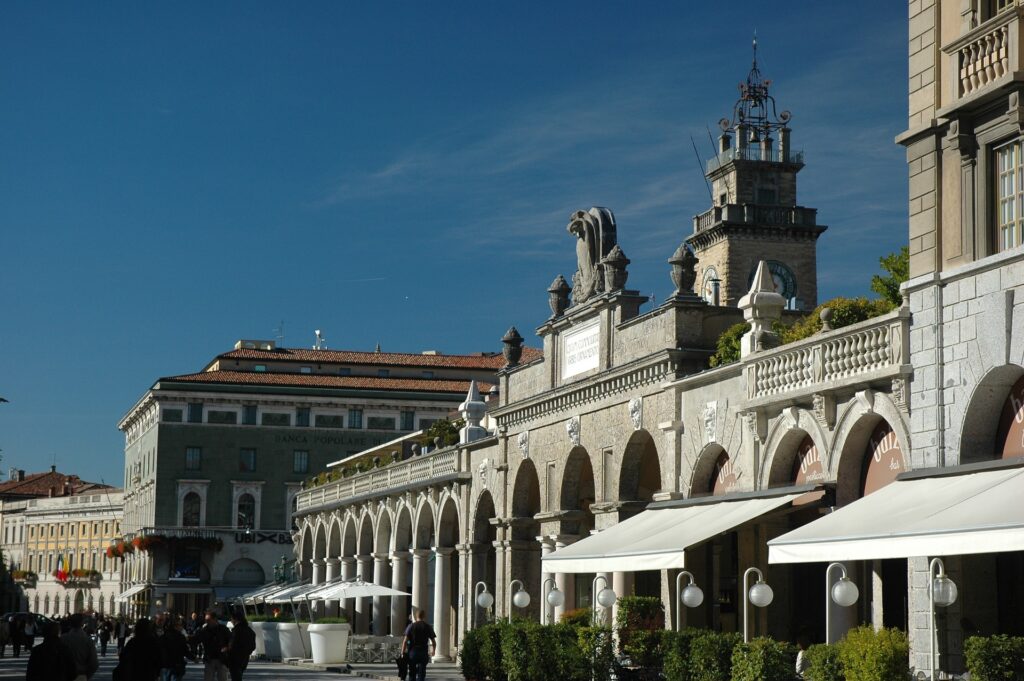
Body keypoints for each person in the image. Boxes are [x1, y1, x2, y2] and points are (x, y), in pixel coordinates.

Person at [190, 609, 230, 681]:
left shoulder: (223, 629)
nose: (206, 622)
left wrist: (227, 647)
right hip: (209, 658)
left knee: (223, 678)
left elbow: (231, 640)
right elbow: (195, 639)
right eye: (206, 620)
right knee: (208, 679)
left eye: (208, 620)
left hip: (222, 658)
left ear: (215, 619)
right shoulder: (204, 630)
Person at [60, 613, 99, 681]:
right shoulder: (87, 640)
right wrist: (86, 675)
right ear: (82, 623)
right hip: (80, 674)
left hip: (64, 674)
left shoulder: (63, 639)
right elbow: (94, 663)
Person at [401, 610, 436, 681]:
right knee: (422, 672)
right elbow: (433, 641)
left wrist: (402, 652)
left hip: (413, 651)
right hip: (423, 651)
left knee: (412, 672)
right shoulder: (428, 627)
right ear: (424, 616)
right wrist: (433, 651)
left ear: (416, 616)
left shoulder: (411, 626)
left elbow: (405, 641)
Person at [160, 615, 194, 681]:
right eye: (180, 625)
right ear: (176, 626)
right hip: (176, 665)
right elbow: (185, 650)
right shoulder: (180, 637)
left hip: (165, 665)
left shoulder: (163, 636)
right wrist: (193, 658)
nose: (181, 626)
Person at [225, 609, 256, 681]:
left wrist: (227, 651)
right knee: (238, 676)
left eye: (231, 619)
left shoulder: (236, 631)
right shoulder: (249, 630)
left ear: (235, 619)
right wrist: (247, 652)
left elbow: (232, 645)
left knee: (235, 677)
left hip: (235, 658)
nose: (231, 621)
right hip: (244, 658)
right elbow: (253, 646)